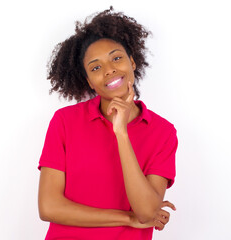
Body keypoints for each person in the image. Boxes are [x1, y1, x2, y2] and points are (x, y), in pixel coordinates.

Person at [37, 6, 178, 240]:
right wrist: (127, 218)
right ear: (89, 81)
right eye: (95, 67)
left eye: (117, 58)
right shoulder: (65, 121)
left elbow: (146, 211)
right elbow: (49, 207)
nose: (109, 69)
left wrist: (121, 134)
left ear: (132, 62)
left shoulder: (162, 132)